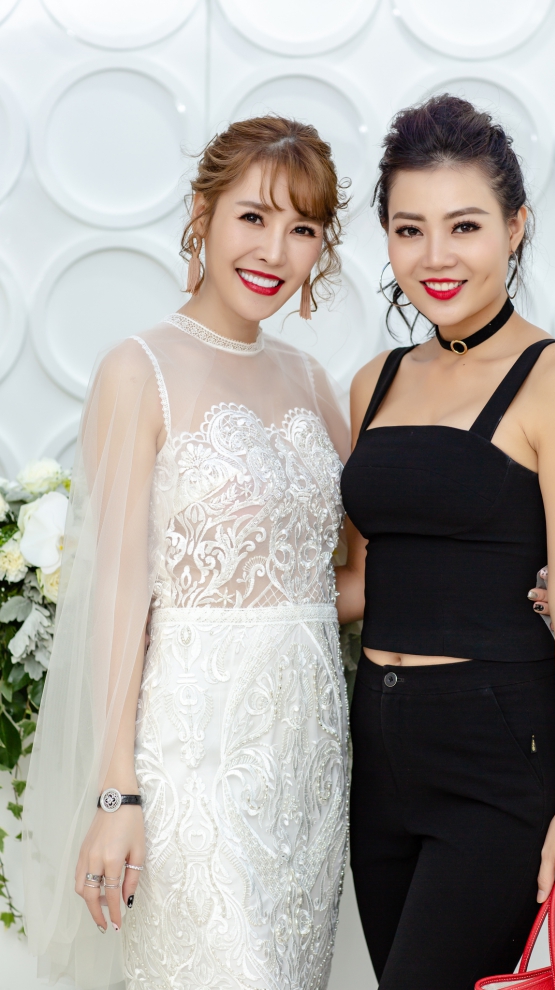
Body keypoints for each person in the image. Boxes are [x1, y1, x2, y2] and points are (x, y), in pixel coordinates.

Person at [23, 116, 352, 990]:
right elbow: (118, 593)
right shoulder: (139, 370)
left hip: (308, 765)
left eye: (303, 228)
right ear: (201, 215)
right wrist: (117, 791)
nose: (274, 251)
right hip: (189, 758)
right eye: (253, 217)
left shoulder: (314, 383)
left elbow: (348, 580)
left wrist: (517, 576)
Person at [337, 95, 555, 990]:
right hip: (377, 747)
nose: (436, 256)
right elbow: (363, 581)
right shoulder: (374, 383)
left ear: (515, 226)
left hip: (496, 751)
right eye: (409, 229)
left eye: (464, 226)